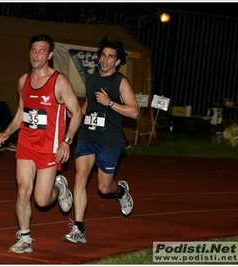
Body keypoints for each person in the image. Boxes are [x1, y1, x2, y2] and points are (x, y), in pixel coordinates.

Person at [0, 34, 83, 253]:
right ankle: (24, 239)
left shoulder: (59, 81)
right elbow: (22, 112)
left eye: (42, 50)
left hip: (49, 148)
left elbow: (78, 112)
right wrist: (7, 131)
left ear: (50, 55)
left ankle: (58, 186)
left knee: (42, 200)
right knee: (23, 192)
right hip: (26, 144)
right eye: (34, 50)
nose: (37, 54)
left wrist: (66, 142)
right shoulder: (23, 81)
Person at [62, 38, 139, 244]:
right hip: (88, 135)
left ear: (117, 62)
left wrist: (110, 102)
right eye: (103, 55)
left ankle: (121, 191)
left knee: (104, 189)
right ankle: (79, 229)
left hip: (109, 140)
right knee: (79, 178)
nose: (105, 60)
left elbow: (133, 111)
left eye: (110, 57)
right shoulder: (92, 79)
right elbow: (88, 103)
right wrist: (77, 112)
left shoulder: (120, 82)